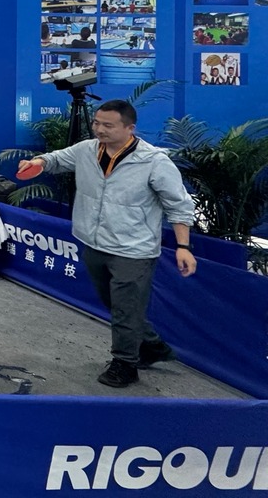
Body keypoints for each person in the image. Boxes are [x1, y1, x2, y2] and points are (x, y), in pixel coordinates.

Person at [16, 100, 196, 389]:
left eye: (108, 125)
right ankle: (150, 345)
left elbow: (179, 206)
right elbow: (57, 158)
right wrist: (37, 163)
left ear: (129, 128)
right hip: (94, 243)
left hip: (133, 249)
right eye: (97, 123)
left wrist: (184, 247)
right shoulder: (86, 150)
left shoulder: (155, 161)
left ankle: (125, 364)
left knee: (125, 309)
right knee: (114, 303)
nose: (99, 129)